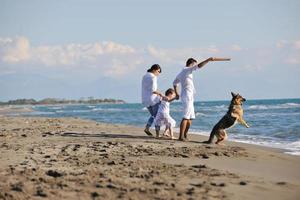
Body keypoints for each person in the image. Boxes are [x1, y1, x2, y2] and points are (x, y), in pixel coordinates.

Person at [173, 57, 214, 141]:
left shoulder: (182, 73)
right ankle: (181, 137)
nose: (195, 67)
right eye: (194, 64)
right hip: (187, 96)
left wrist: (177, 93)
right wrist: (208, 60)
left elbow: (174, 83)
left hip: (190, 97)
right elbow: (199, 66)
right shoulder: (186, 70)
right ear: (191, 64)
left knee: (190, 118)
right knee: (186, 117)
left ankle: (185, 135)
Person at [141, 64, 162, 136]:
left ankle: (147, 128)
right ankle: (157, 134)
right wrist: (161, 94)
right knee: (157, 116)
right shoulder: (153, 77)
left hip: (145, 99)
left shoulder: (145, 76)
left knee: (154, 115)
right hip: (153, 99)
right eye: (158, 71)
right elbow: (154, 90)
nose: (158, 74)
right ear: (154, 70)